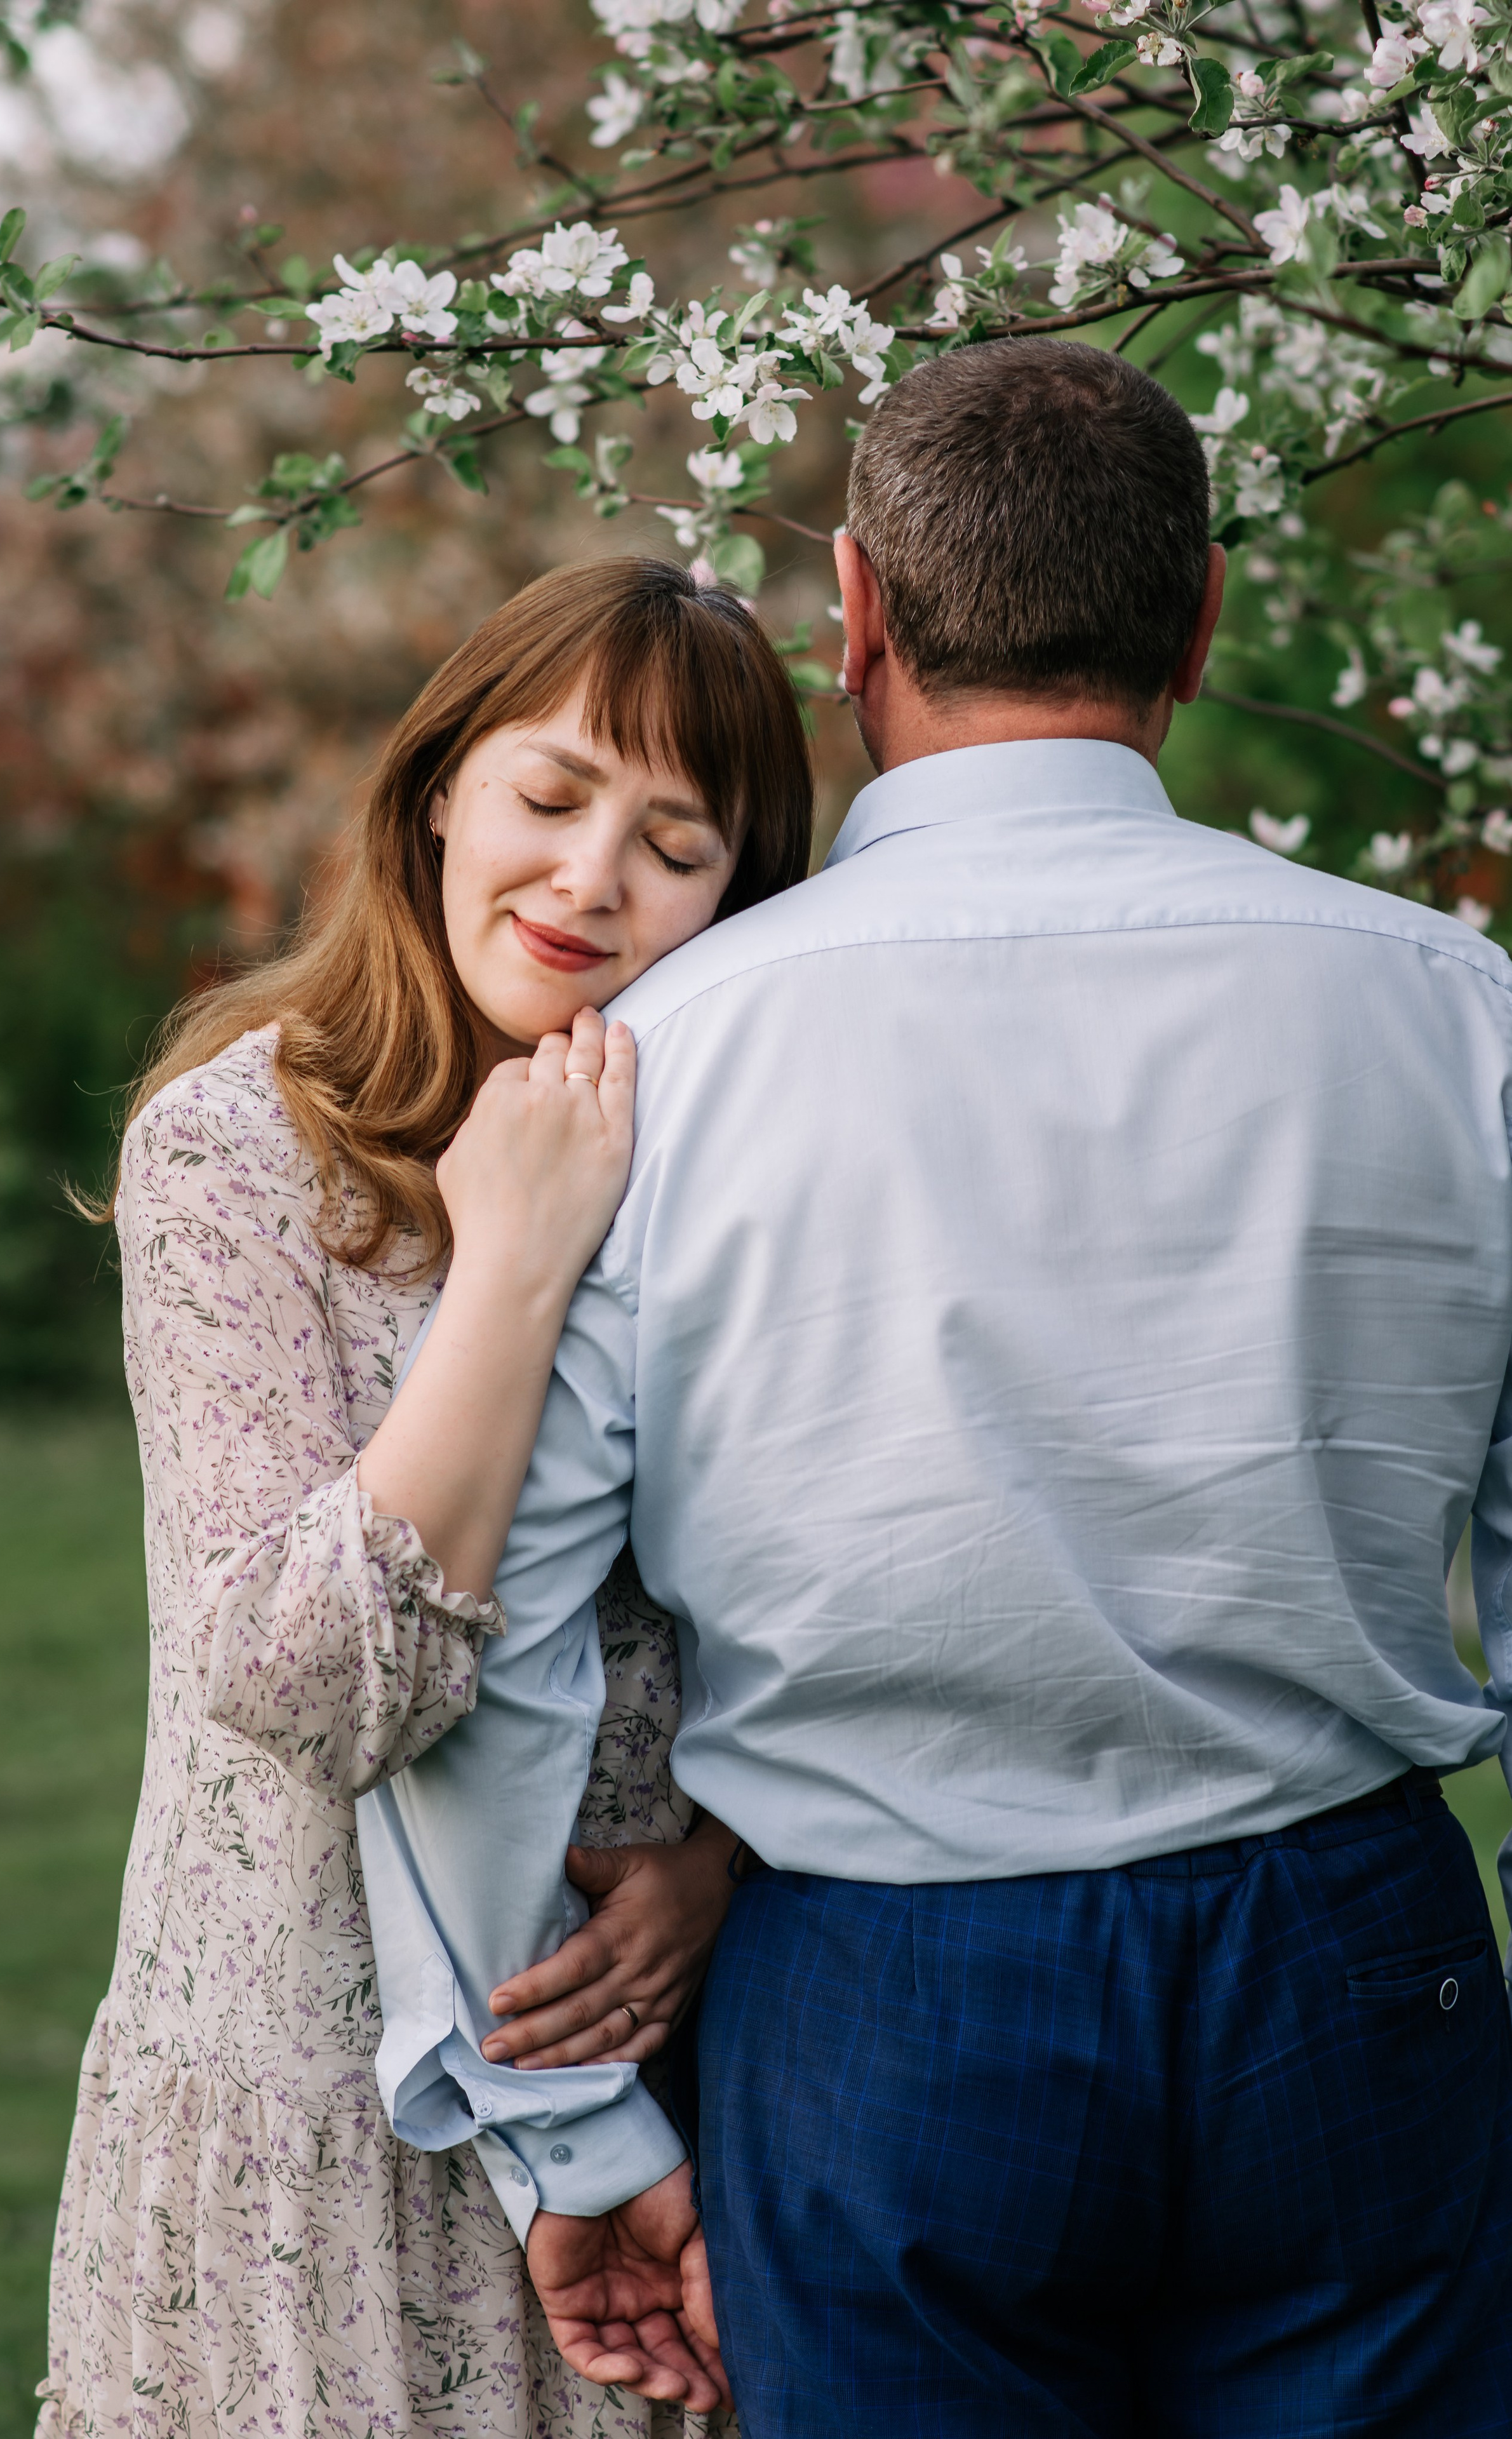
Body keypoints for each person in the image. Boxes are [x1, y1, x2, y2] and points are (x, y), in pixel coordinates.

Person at [362, 340, 1512, 2437]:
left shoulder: (662, 1063)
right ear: (1203, 620)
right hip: (1357, 1955)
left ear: (860, 612)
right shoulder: (1458, 1011)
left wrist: (575, 2132)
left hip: (889, 1996)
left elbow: (498, 1628)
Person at [37, 558, 812, 2439]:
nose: (590, 879)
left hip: (648, 2098)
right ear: (440, 787)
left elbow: (830, 1602)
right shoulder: (236, 1150)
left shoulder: (750, 1176)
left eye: (676, 842)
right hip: (302, 2107)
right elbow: (308, 1677)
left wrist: (722, 1871)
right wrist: (518, 1261)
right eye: (551, 797)